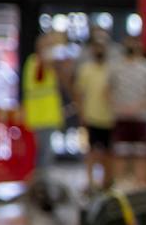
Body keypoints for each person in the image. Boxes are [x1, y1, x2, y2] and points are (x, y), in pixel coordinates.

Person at [107, 38, 146, 186]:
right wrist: (118, 107)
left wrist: (140, 106)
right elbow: (106, 92)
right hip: (121, 117)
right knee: (120, 153)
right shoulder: (115, 68)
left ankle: (140, 184)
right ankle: (119, 185)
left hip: (141, 118)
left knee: (141, 154)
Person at [21, 33, 65, 188]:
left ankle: (42, 186)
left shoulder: (55, 64)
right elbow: (28, 88)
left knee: (46, 154)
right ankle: (34, 185)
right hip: (34, 116)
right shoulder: (32, 62)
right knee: (34, 154)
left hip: (49, 115)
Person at [73, 39, 115, 191]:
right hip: (91, 116)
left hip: (110, 117)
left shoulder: (112, 69)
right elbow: (79, 92)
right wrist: (81, 112)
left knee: (109, 153)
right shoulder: (86, 70)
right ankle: (91, 183)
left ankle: (107, 182)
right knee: (91, 152)